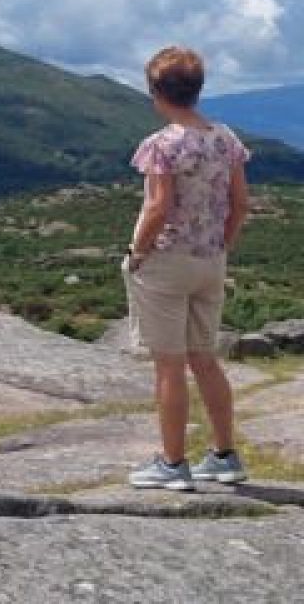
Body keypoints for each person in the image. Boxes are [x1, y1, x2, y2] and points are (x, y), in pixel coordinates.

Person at [124, 46, 250, 492]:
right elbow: (240, 204)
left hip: (167, 261)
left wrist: (137, 252)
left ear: (156, 92)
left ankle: (173, 464)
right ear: (197, 89)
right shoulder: (226, 139)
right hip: (210, 260)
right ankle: (225, 456)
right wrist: (221, 245)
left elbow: (159, 207)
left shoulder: (162, 145)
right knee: (205, 359)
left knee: (169, 366)